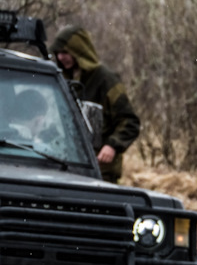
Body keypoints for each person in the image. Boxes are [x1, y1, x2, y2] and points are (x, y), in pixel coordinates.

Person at [50, 25, 140, 183]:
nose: (60, 58)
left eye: (65, 52)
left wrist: (112, 146)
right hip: (68, 166)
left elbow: (129, 121)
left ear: (78, 51)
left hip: (101, 170)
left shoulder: (105, 80)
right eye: (58, 53)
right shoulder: (62, 80)